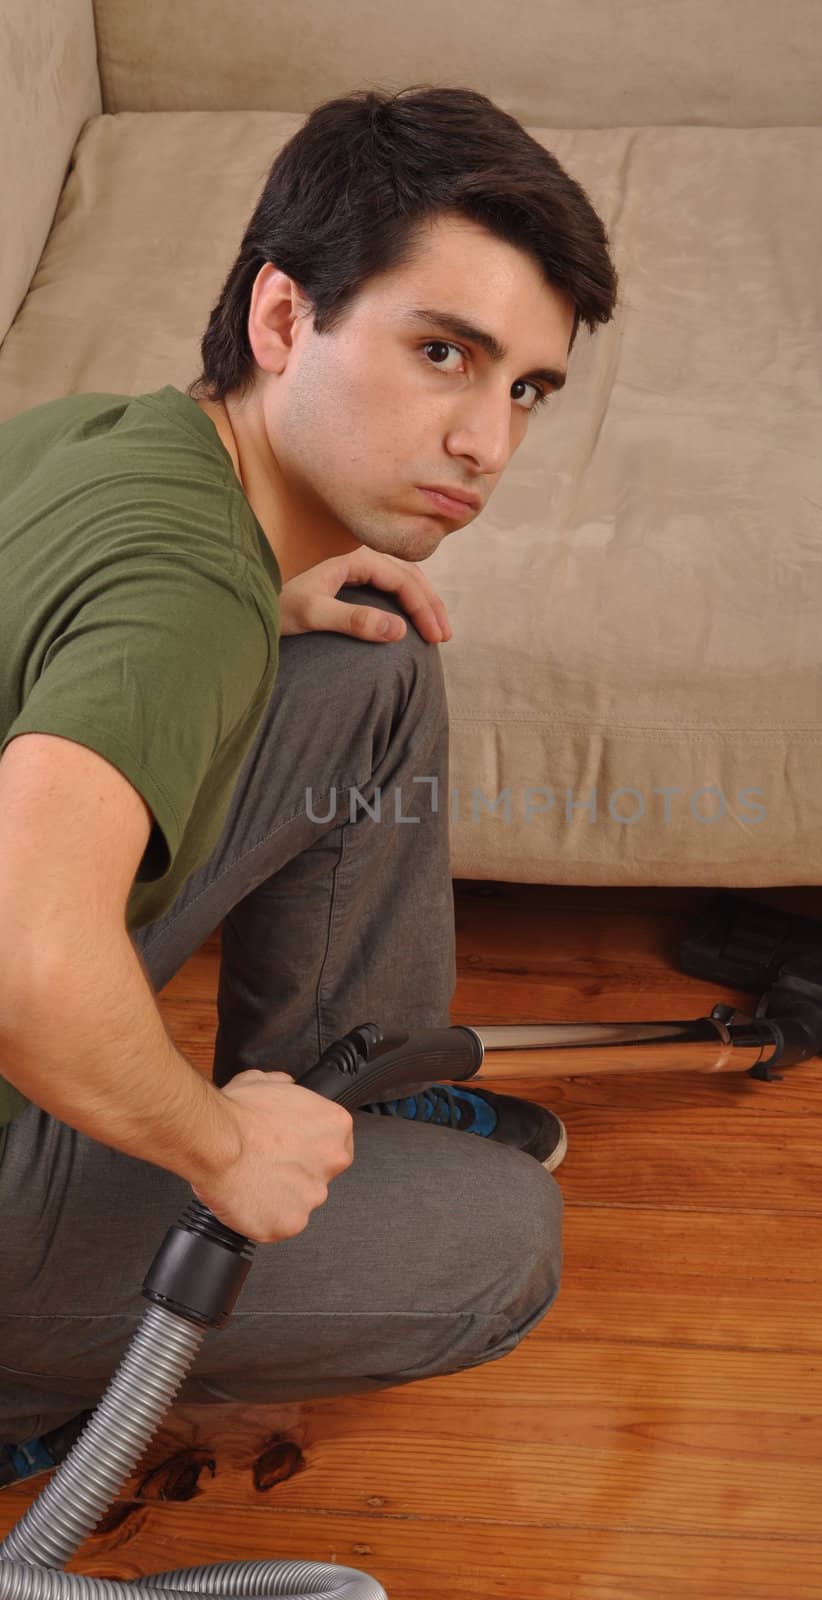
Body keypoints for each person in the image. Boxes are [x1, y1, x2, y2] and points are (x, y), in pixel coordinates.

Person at [0, 85, 619, 1463]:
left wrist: (249, 616)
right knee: (499, 1247)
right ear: (286, 320)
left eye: (524, 388)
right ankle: (22, 1394)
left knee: (370, 667)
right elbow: (30, 965)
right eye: (444, 354)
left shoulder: (98, 441)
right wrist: (220, 1150)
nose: (489, 444)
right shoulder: (181, 594)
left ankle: (354, 1093)